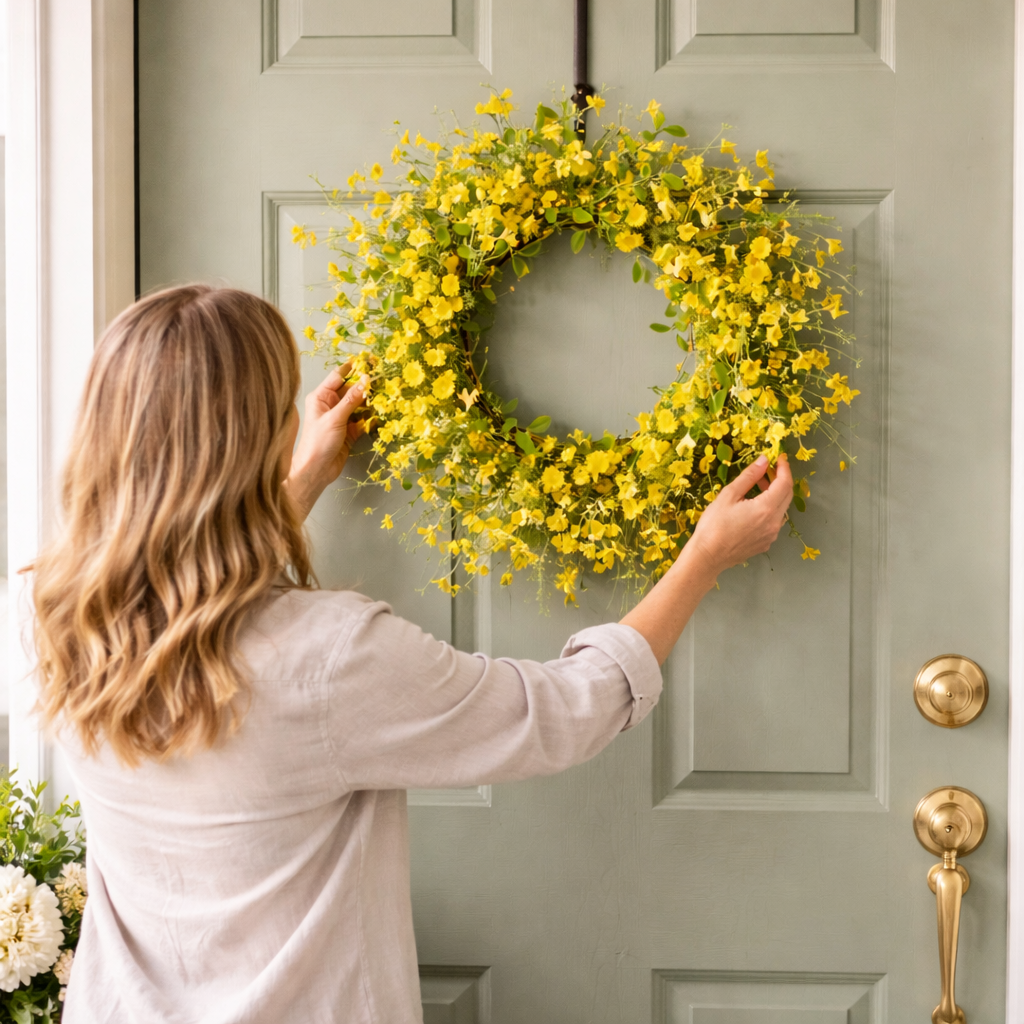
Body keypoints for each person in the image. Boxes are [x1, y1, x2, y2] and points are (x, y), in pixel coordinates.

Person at [30, 285, 793, 1023]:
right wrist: (703, 558)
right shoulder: (331, 657)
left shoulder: (57, 616)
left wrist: (306, 480)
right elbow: (561, 711)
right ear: (255, 440)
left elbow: (191, 592)